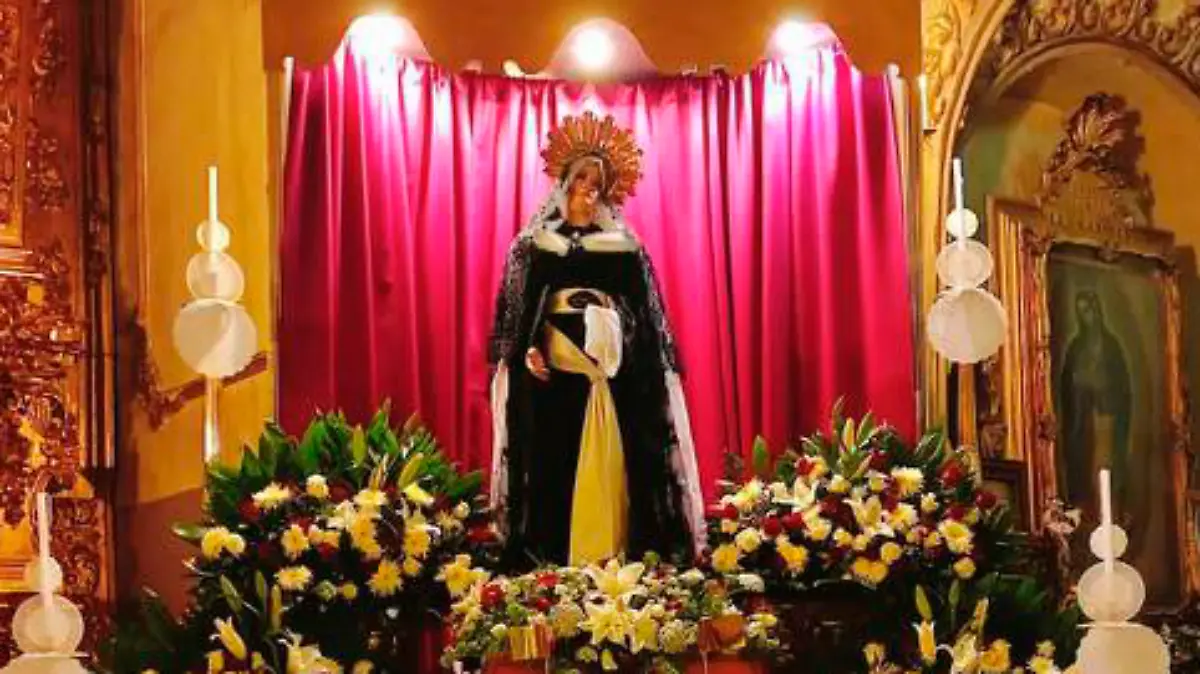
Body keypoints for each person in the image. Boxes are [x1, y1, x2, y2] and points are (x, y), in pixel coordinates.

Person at [488, 112, 705, 568]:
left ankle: (614, 549)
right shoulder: (536, 243)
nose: (588, 188)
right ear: (565, 181)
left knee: (615, 459)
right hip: (554, 374)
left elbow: (643, 310)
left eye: (597, 182)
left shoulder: (622, 246)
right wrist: (528, 347)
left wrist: (614, 332)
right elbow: (520, 309)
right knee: (554, 459)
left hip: (609, 368)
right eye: (582, 177)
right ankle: (554, 556)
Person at [1059, 290, 1131, 519]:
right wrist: (1081, 385)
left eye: (1090, 310)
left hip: (1106, 416)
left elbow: (1121, 387)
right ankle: (1088, 513)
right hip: (1082, 418)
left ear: (1098, 311)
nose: (1087, 316)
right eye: (1082, 312)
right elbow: (1067, 388)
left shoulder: (1111, 346)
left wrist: (1099, 385)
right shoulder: (1075, 348)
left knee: (1105, 463)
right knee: (1085, 464)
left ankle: (1110, 513)